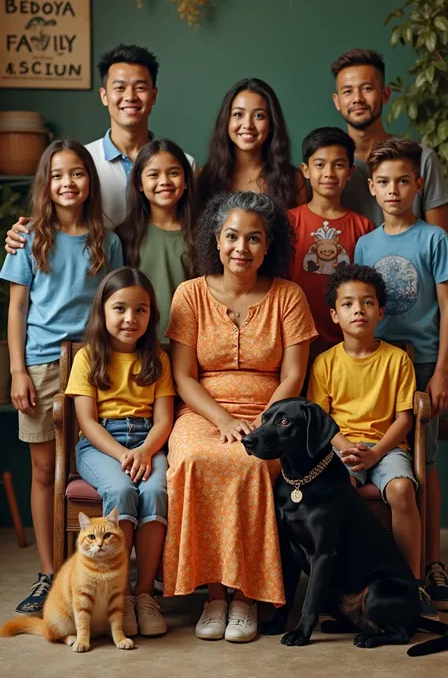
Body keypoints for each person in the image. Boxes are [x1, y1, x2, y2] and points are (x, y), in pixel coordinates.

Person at [164, 191, 317, 642]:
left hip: (271, 416)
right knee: (196, 461)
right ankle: (214, 596)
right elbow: (184, 377)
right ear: (216, 238)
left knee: (250, 466)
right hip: (201, 412)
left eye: (254, 239)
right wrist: (223, 422)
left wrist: (265, 422)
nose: (241, 248)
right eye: (232, 236)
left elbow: (293, 376)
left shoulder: (287, 297)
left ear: (269, 247)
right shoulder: (189, 294)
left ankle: (246, 596)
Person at [0, 140, 123, 616]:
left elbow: (112, 305)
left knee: (91, 465)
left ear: (89, 181)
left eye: (77, 174)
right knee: (45, 470)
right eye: (57, 175)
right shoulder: (30, 237)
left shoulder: (106, 240)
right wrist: (17, 370)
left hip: (95, 366)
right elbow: (17, 309)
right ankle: (49, 574)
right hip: (41, 366)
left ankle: (94, 572)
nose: (67, 183)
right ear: (45, 185)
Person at [354, 138, 448, 613]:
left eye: (403, 180)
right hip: (375, 362)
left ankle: (431, 566)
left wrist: (441, 371)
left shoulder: (432, 238)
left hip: (419, 363)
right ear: (372, 189)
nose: (393, 189)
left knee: (425, 461)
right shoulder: (365, 243)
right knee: (384, 456)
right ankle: (380, 572)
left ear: (418, 184)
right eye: (383, 182)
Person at [307, 263, 436, 619]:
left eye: (367, 303)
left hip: (387, 448)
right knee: (335, 494)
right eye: (348, 304)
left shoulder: (396, 359)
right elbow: (322, 419)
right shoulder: (325, 363)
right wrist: (346, 447)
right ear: (334, 314)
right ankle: (345, 585)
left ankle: (412, 584)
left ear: (380, 311)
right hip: (342, 449)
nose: (358, 310)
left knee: (400, 490)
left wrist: (376, 452)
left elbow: (404, 419)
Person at [65, 267, 175, 637]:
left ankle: (144, 594)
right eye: (120, 308)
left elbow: (164, 419)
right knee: (122, 491)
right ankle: (120, 593)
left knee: (157, 490)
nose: (130, 318)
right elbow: (87, 421)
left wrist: (144, 451)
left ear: (151, 314)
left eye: (141, 310)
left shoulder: (157, 358)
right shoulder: (87, 357)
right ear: (103, 310)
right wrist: (122, 454)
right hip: (100, 444)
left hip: (148, 440)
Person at [5, 44, 197, 248]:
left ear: (154, 95)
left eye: (140, 87)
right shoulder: (80, 164)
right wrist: (22, 235)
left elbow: (193, 227)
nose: (130, 97)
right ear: (104, 95)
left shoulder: (184, 165)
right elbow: (51, 221)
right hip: (97, 273)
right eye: (120, 88)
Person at [331, 48, 448, 231]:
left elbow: (440, 244)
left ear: (385, 95)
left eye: (367, 88)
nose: (357, 98)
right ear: (337, 101)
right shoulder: (327, 168)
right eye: (347, 91)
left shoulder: (422, 158)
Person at [289, 127, 374, 355]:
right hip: (296, 343)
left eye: (338, 165)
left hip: (347, 348)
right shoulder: (289, 222)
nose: (329, 173)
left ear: (350, 171)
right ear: (305, 170)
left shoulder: (363, 227)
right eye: (319, 164)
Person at [116, 139, 198, 342]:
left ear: (186, 180)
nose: (164, 181)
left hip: (191, 347)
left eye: (173, 173)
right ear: (140, 184)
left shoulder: (203, 235)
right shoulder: (124, 236)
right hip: (140, 347)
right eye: (154, 174)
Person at [199, 78, 307, 209]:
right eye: (238, 114)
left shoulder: (293, 179)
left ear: (271, 124)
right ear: (226, 121)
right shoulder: (204, 177)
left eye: (259, 116)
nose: (248, 125)